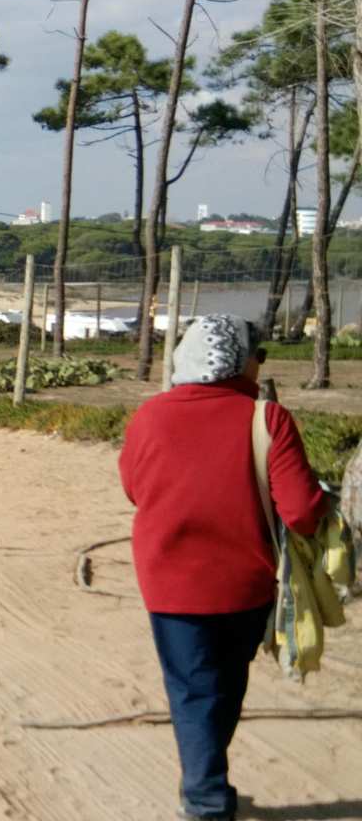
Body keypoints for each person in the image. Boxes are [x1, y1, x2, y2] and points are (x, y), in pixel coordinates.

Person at [118, 314, 329, 820]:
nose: (261, 365)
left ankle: (204, 789)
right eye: (260, 355)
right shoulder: (267, 419)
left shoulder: (149, 417)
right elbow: (301, 512)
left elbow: (132, 489)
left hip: (169, 583)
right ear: (241, 360)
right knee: (225, 687)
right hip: (246, 586)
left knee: (194, 690)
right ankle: (208, 797)